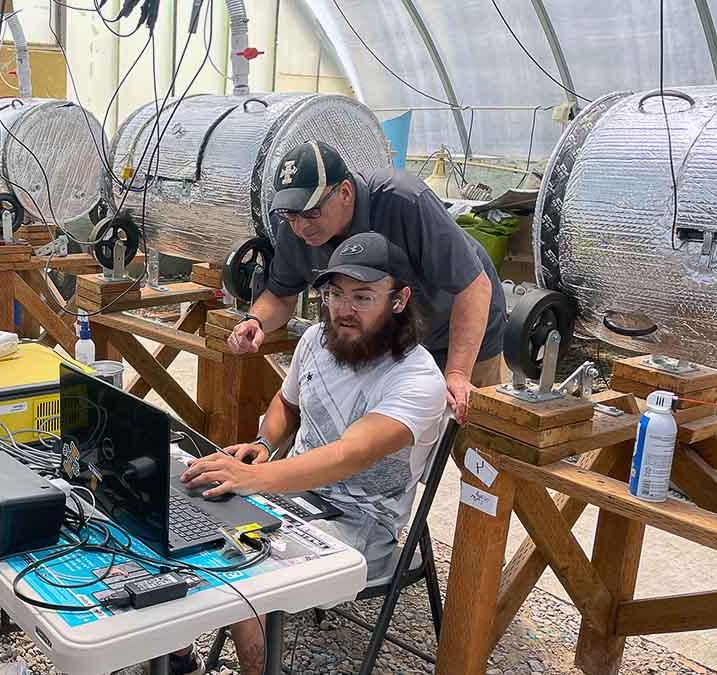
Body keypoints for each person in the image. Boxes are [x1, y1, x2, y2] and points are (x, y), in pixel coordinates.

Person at [180, 232, 448, 675]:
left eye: (362, 296)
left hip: (362, 524)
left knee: (246, 563)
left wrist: (250, 479)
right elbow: (287, 403)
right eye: (335, 293)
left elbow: (350, 454)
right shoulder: (318, 343)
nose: (343, 309)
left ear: (399, 301)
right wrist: (265, 445)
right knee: (189, 509)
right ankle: (174, 657)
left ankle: (256, 670)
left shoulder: (417, 379)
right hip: (290, 495)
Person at [227, 141, 505, 423]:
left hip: (458, 329)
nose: (301, 226)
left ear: (345, 192)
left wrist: (458, 373)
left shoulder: (404, 200)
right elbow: (280, 295)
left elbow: (474, 287)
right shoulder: (295, 228)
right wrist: (255, 321)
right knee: (393, 438)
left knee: (471, 439)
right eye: (291, 214)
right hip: (389, 342)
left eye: (311, 212)